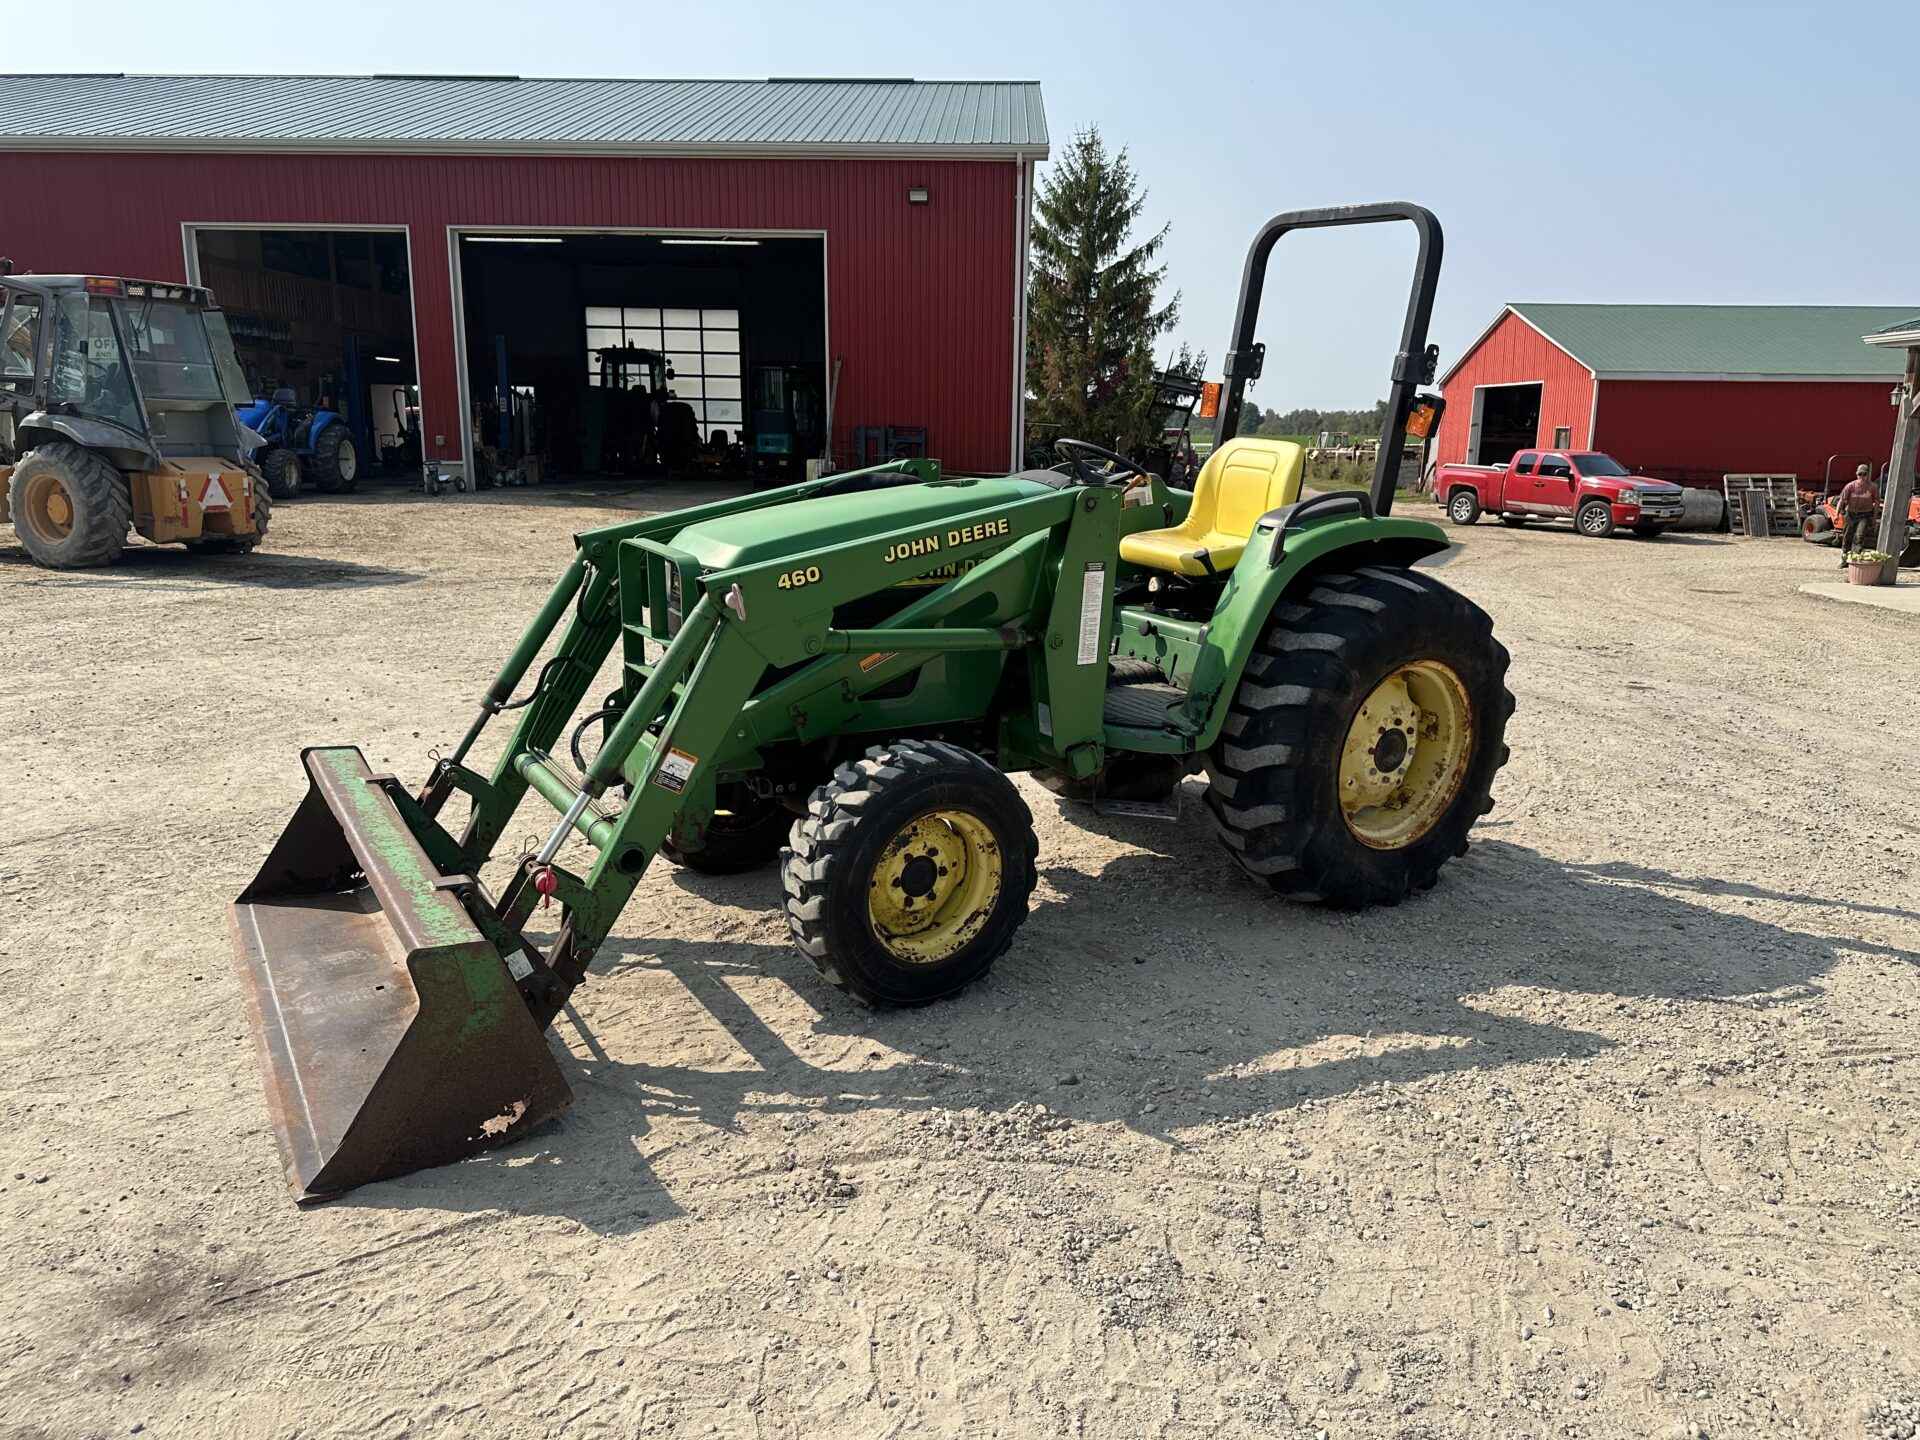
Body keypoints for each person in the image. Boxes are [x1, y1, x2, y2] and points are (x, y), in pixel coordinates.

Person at [1836, 463, 1880, 564]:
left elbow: (1877, 502)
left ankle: (1855, 558)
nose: (1862, 477)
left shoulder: (1873, 487)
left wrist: (1874, 518)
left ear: (1868, 475)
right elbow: (1841, 500)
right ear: (1857, 475)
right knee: (1847, 536)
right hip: (1851, 514)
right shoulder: (1850, 486)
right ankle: (1844, 558)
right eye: (1859, 474)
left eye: (1864, 474)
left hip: (1865, 515)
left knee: (1859, 535)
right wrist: (1836, 514)